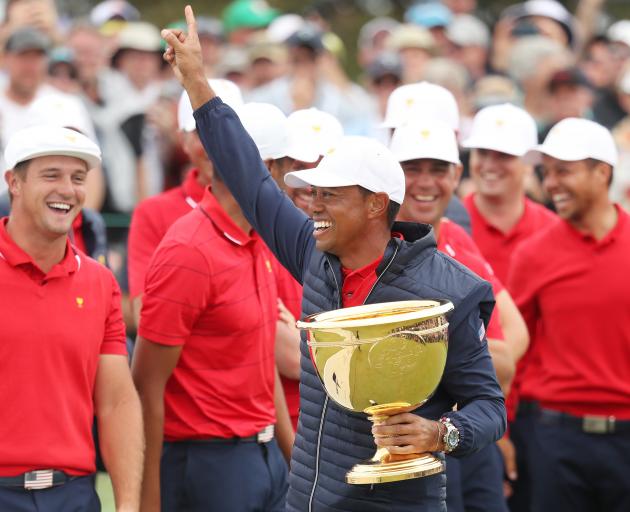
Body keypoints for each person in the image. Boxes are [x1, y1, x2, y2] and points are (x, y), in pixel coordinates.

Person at [161, 8, 506, 511]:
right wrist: (196, 82)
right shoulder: (313, 253)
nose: (312, 205)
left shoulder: (452, 288)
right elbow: (249, 177)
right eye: (312, 192)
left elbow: (489, 408)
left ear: (373, 205)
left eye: (329, 196)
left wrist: (442, 432)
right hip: (306, 500)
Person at [132, 105, 295, 511]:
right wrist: (148, 500)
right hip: (206, 465)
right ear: (266, 169)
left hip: (261, 456)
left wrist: (291, 457)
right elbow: (146, 383)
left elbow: (262, 362)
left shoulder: (256, 239)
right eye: (287, 170)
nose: (293, 189)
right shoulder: (189, 250)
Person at [0, 125, 143, 511]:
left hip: (75, 496)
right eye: (52, 175)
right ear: (14, 182)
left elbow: (116, 403)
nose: (68, 189)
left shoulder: (100, 283)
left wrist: (128, 505)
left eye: (78, 178)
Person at [390, 119, 529, 512]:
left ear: (456, 174)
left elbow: (504, 358)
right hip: (397, 445)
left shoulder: (458, 241)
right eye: (412, 168)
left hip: (459, 435)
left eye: (437, 169)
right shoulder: (368, 247)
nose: (425, 182)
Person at [509, 118, 630, 512]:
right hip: (554, 440)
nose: (551, 184)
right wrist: (501, 430)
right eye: (547, 173)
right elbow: (513, 347)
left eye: (565, 171)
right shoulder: (533, 254)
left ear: (602, 173)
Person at [127, 78, 243, 324]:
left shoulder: (267, 206)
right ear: (183, 140)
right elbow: (145, 314)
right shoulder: (153, 213)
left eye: (228, 132)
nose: (216, 145)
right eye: (203, 133)